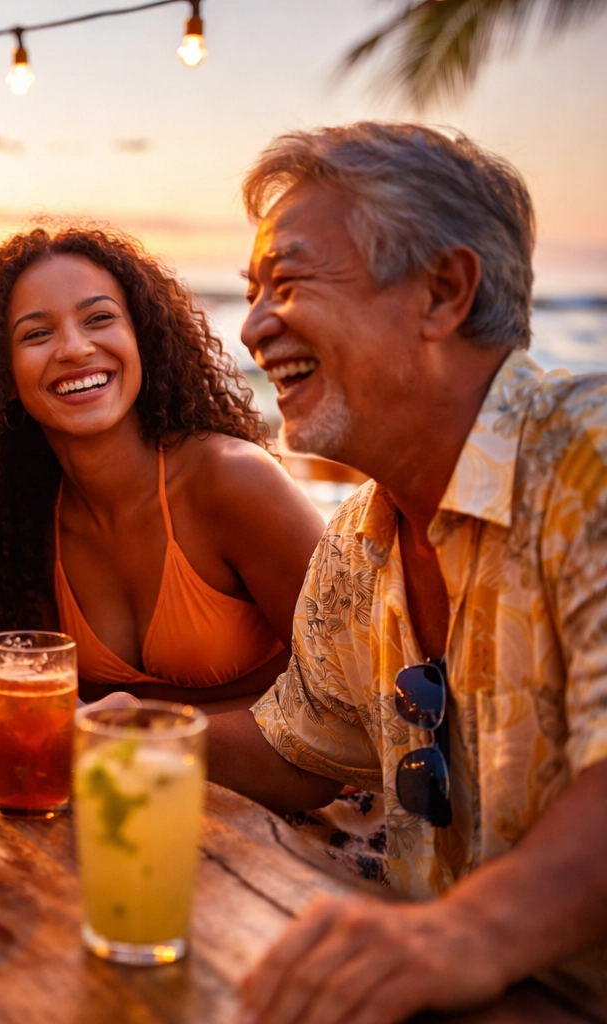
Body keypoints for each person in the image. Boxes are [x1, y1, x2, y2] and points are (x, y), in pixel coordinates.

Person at [207, 122, 607, 1023]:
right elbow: (301, 743)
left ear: (443, 291)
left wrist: (468, 935)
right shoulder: (360, 536)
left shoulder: (591, 458)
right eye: (252, 291)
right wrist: (128, 736)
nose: (254, 324)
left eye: (289, 281)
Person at [0, 226, 324, 712]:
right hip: (114, 787)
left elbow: (350, 697)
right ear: (2, 375)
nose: (74, 348)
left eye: (99, 318)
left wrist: (138, 726)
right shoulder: (21, 524)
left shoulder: (233, 480)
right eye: (37, 334)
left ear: (142, 339)